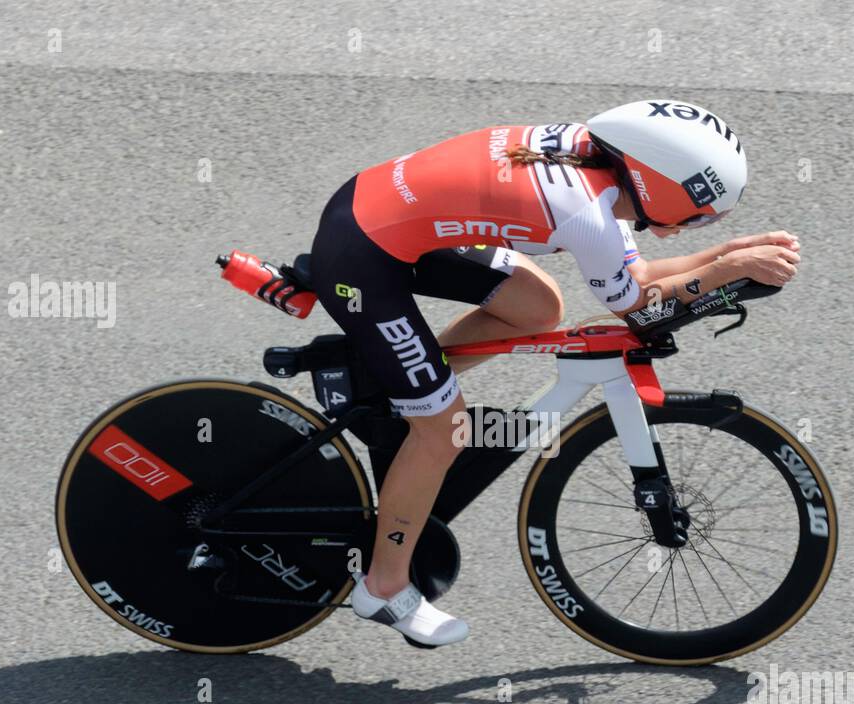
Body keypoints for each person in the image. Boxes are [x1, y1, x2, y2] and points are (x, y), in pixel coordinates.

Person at [308, 100, 800, 648]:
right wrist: (724, 272)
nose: (696, 227)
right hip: (363, 257)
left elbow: (634, 272)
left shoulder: (599, 162)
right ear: (659, 184)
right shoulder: (585, 213)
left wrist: (726, 255)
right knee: (445, 429)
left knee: (537, 306)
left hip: (383, 214)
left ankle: (400, 383)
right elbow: (639, 308)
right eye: (699, 215)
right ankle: (384, 586)